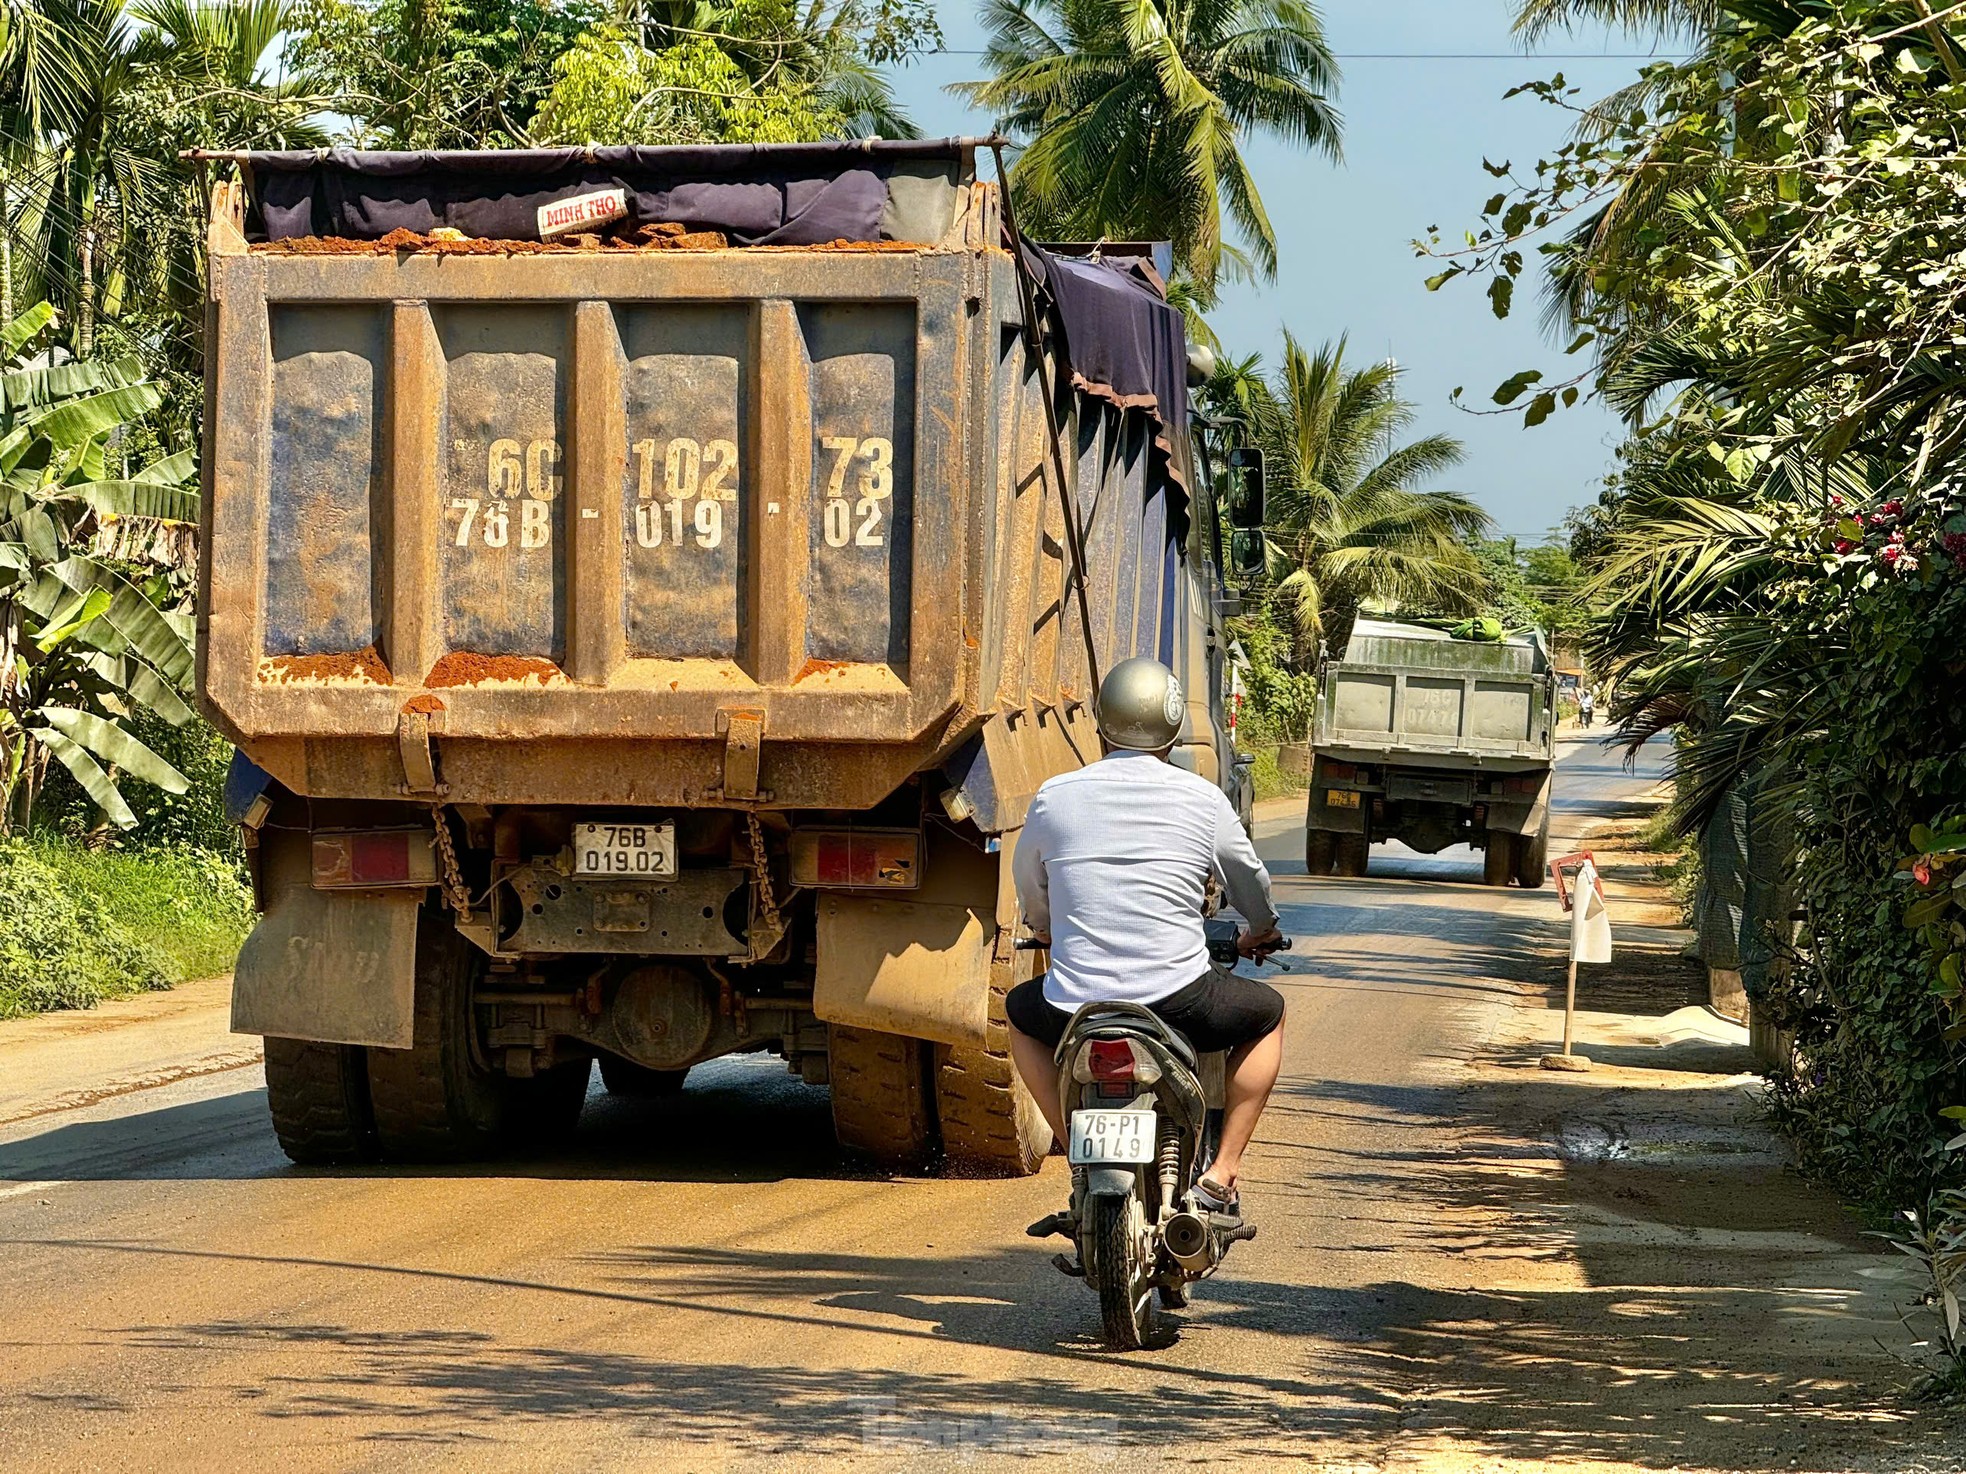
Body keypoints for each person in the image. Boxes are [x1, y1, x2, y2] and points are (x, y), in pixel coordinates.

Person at [1006, 656, 1287, 1225]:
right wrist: (1261, 929)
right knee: (1269, 1014)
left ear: (1102, 723)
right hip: (1179, 997)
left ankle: (1074, 1147)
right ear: (1175, 724)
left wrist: (1046, 930)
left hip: (1074, 1005)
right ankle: (1222, 1174)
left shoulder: (1054, 795)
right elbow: (1248, 879)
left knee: (1018, 1012)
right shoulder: (1203, 799)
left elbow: (1029, 883)